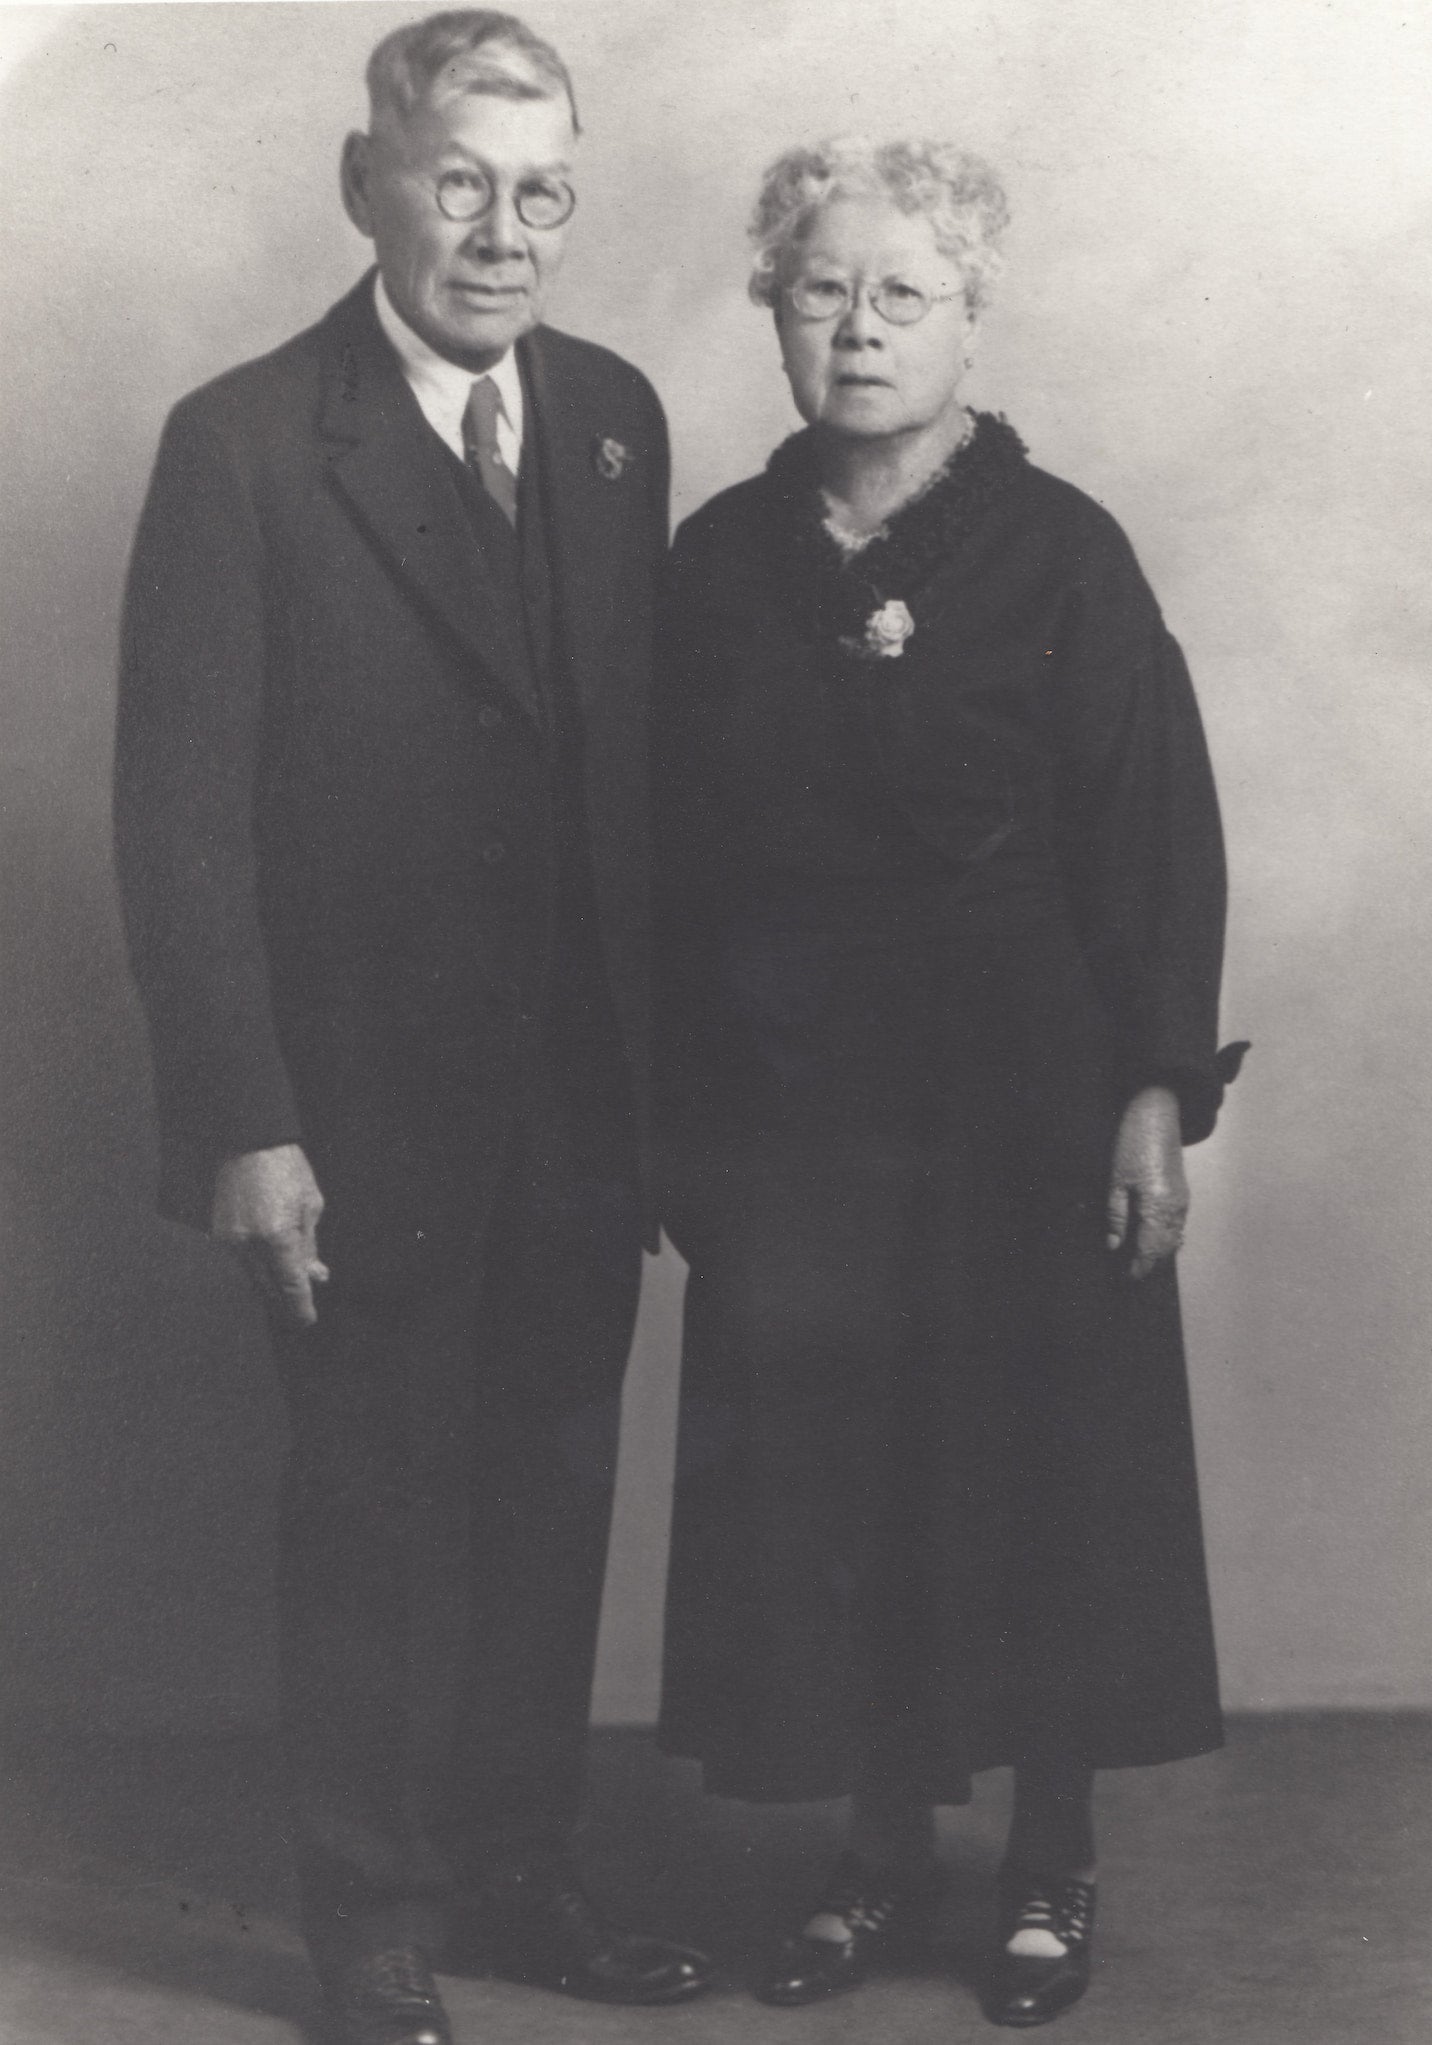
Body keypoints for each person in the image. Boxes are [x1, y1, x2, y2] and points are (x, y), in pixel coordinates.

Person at [113, 14, 714, 2044]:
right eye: (459, 182)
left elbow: (634, 780)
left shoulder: (615, 421)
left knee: (549, 1498)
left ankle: (520, 1876)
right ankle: (369, 1924)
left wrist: (668, 1100)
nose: (500, 234)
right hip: (354, 1117)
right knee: (373, 1512)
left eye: (541, 192)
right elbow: (177, 820)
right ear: (366, 183)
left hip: (580, 1105)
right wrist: (245, 1121)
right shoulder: (244, 443)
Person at [652, 135, 1246, 2028]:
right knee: (841, 1470)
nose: (859, 328)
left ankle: (1051, 1855)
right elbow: (665, 862)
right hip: (797, 1101)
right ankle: (878, 1844)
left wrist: (1152, 1094)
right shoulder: (718, 562)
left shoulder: (1063, 551)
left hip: (1024, 1098)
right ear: (774, 311)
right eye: (822, 290)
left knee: (1040, 1465)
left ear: (971, 317)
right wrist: (685, 1124)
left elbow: (1153, 834)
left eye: (902, 293)